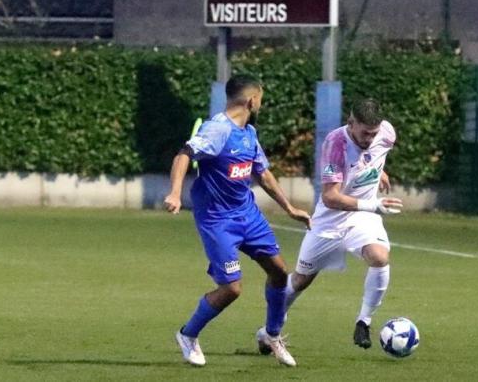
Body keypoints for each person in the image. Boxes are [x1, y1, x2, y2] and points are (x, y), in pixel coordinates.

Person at [163, 75, 311, 367]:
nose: (262, 103)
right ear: (251, 100)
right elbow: (184, 155)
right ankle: (188, 334)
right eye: (261, 98)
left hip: (248, 215)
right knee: (231, 289)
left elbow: (263, 174)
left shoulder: (249, 132)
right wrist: (175, 193)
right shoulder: (217, 130)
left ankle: (271, 334)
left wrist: (289, 207)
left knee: (280, 272)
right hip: (218, 221)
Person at [258, 98, 403, 352]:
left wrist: (379, 172)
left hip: (363, 218)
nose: (370, 138)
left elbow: (374, 156)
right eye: (365, 133)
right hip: (330, 220)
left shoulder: (387, 132)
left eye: (374, 133)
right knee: (301, 280)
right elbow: (330, 197)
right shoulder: (335, 145)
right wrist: (374, 205)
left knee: (379, 258)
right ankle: (269, 331)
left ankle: (363, 322)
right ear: (351, 122)